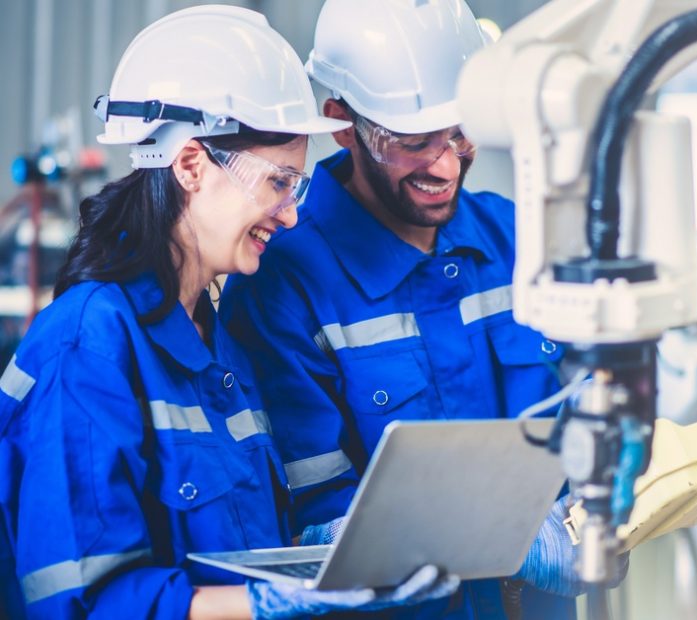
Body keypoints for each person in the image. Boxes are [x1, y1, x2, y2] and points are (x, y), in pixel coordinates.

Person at [0, 6, 458, 619]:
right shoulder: (88, 346)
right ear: (190, 165)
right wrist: (269, 603)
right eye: (278, 184)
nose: (292, 214)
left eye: (297, 188)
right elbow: (84, 602)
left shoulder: (221, 346)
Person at [220, 0, 628, 617]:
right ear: (340, 124)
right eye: (411, 142)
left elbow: (599, 413)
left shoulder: (518, 238)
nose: (444, 164)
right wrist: (494, 535)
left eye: (460, 132)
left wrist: (619, 494)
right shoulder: (284, 280)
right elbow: (309, 522)